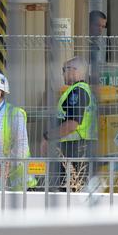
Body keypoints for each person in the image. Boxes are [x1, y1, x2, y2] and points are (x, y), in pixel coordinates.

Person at [40, 56, 97, 190]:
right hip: (81, 149)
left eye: (64, 70)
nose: (63, 74)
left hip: (74, 150)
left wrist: (47, 137)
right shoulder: (85, 90)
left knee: (68, 192)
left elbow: (72, 124)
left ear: (73, 70)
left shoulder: (77, 92)